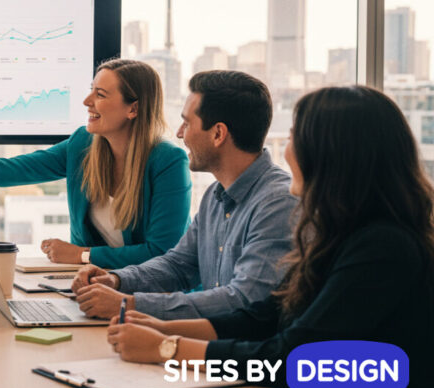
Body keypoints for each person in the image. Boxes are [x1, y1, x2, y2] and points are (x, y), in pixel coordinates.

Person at [105, 86, 434, 388]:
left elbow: (295, 359)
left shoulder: (383, 248)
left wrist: (169, 349)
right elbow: (268, 313)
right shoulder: (341, 233)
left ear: (331, 155)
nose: (286, 151)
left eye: (293, 137)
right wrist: (165, 327)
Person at [0, 58, 191, 268]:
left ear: (134, 108)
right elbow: (11, 171)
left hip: (152, 294)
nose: (87, 101)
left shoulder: (168, 162)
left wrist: (81, 255)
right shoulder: (83, 145)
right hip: (96, 284)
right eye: (91, 89)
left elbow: (162, 252)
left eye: (100, 94)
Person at [71, 70, 296, 319]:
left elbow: (243, 301)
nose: (179, 133)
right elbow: (178, 265)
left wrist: (129, 305)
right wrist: (115, 280)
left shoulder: (277, 203)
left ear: (218, 134)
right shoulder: (215, 196)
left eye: (187, 124)